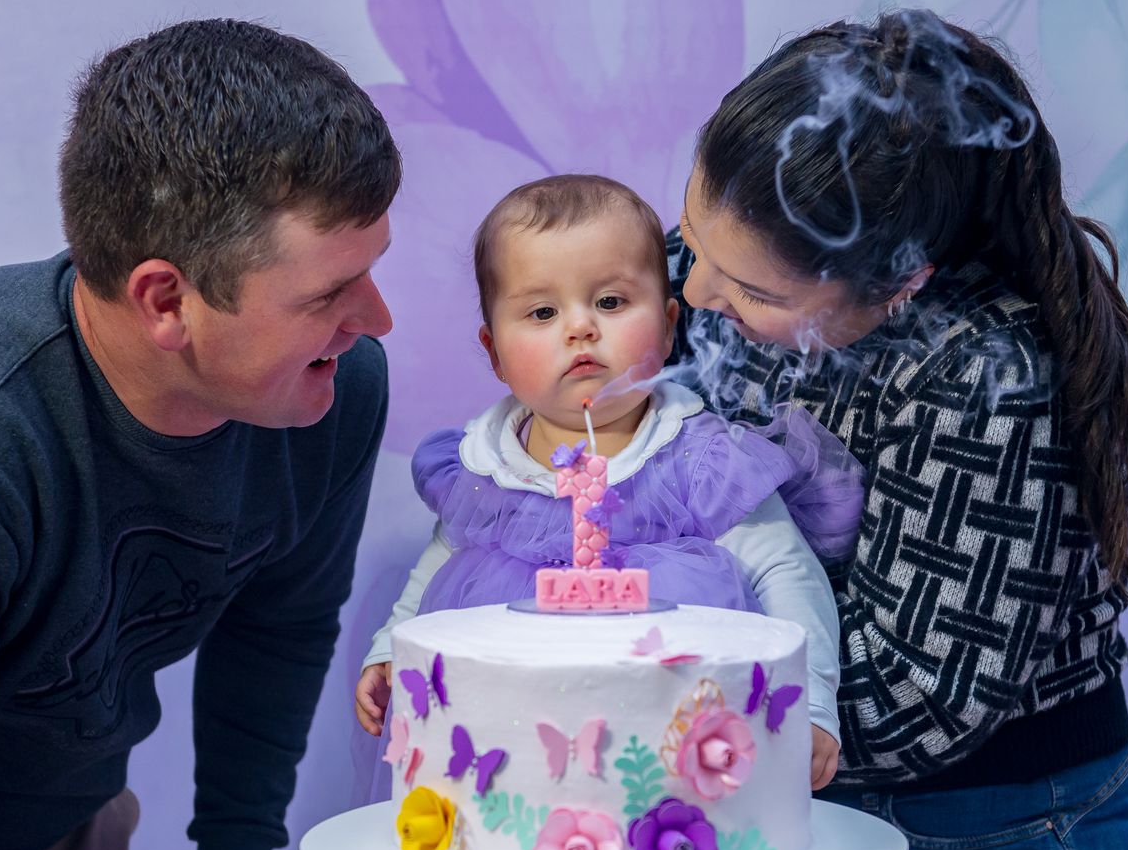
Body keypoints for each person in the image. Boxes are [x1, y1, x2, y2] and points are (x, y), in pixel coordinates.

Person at [668, 10, 1128, 850]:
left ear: (901, 283)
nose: (694, 292)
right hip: (794, 818)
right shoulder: (732, 251)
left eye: (754, 293)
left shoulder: (988, 377)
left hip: (990, 849)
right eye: (693, 234)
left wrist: (642, 689)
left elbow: (913, 695)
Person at [0, 19, 400, 850]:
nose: (376, 319)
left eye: (370, 270)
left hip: (76, 831)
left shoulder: (326, 392)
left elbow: (281, 630)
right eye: (328, 294)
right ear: (167, 300)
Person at [355, 174, 864, 791]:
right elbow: (436, 572)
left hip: (671, 756)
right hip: (514, 756)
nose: (580, 328)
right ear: (494, 353)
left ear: (669, 326)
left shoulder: (701, 461)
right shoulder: (486, 469)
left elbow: (786, 574)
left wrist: (809, 700)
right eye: (543, 312)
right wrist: (392, 648)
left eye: (612, 302)